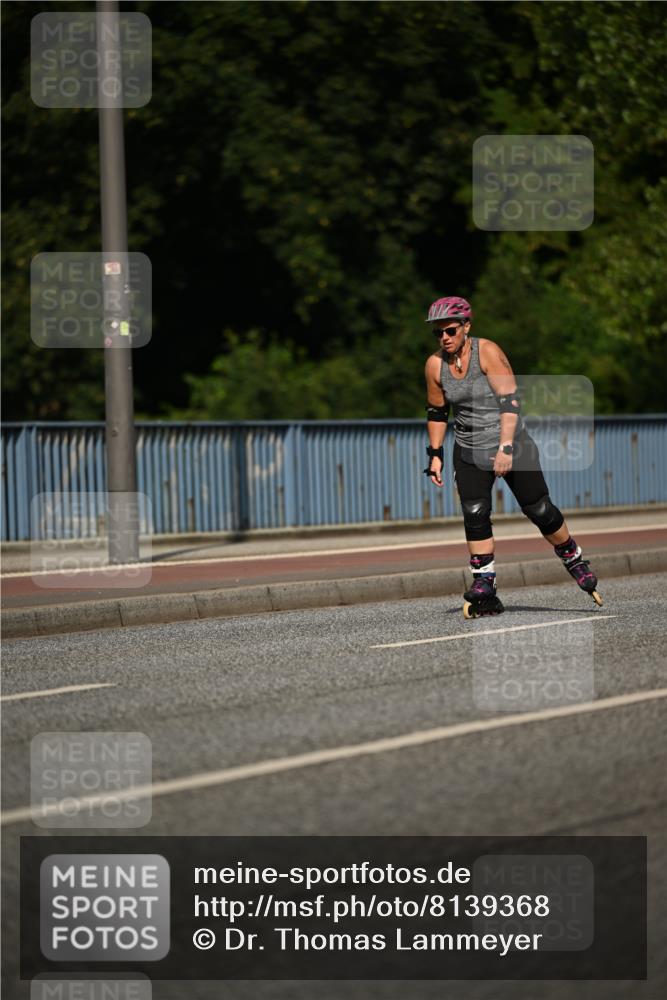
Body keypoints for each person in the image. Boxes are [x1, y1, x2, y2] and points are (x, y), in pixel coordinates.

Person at [423, 295, 602, 618]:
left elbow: (510, 403)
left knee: (539, 509)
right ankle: (484, 584)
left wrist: (505, 448)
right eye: (437, 333)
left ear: (466, 326)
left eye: (449, 330)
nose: (444, 338)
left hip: (511, 440)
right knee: (474, 511)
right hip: (469, 446)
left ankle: (573, 557)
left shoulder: (487, 352)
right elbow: (437, 411)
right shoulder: (435, 365)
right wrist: (434, 454)